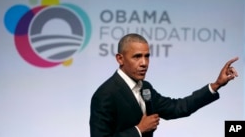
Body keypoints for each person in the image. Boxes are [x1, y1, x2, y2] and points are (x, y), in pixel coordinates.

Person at [89, 33, 238, 137]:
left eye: (147, 56)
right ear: (120, 59)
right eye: (137, 57)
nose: (144, 63)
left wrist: (216, 85)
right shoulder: (105, 94)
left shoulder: (145, 87)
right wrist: (139, 130)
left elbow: (178, 108)